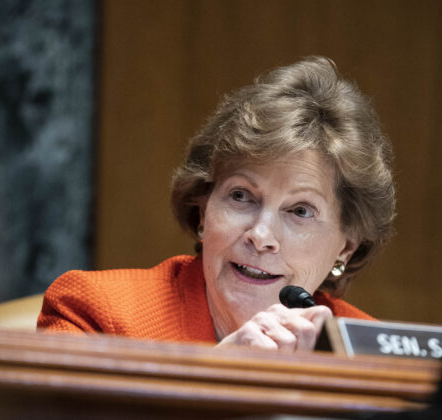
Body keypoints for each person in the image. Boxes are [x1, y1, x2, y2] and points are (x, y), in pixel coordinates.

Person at [37, 56, 395, 353]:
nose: (261, 235)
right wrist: (212, 380)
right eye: (241, 196)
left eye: (300, 211)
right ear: (204, 209)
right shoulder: (96, 316)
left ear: (345, 247)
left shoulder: (371, 351)